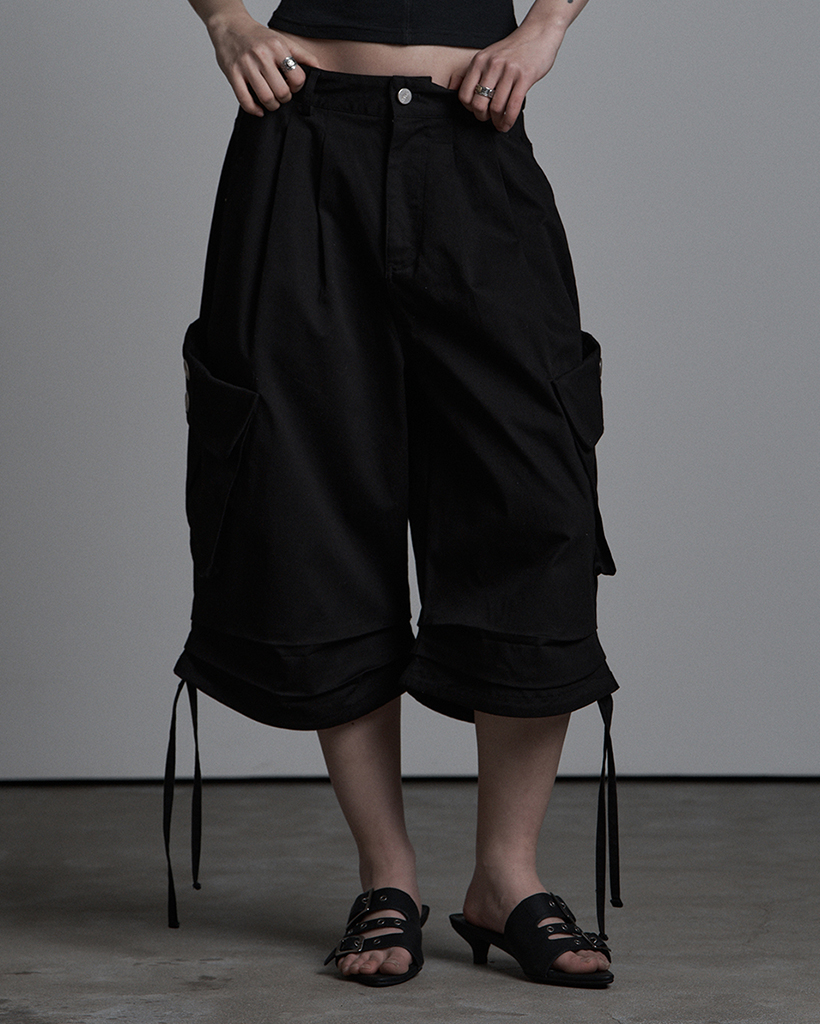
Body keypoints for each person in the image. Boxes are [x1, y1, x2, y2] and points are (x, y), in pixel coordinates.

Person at [166, 0, 622, 990]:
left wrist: (547, 25)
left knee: (534, 496)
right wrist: (225, 19)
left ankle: (505, 876)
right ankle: (386, 876)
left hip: (473, 133)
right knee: (313, 495)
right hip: (299, 138)